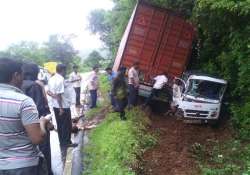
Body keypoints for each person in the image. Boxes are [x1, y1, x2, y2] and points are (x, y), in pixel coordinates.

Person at [0, 58, 49, 175]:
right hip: (24, 165)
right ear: (16, 75)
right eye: (22, 74)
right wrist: (43, 122)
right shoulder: (23, 101)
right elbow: (37, 138)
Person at [21, 63, 54, 175]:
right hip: (38, 126)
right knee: (44, 150)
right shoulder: (34, 86)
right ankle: (48, 171)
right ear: (35, 72)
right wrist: (48, 121)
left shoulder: (18, 85)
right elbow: (39, 109)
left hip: (23, 128)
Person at [47, 64, 77, 148]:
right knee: (66, 125)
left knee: (60, 125)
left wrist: (54, 96)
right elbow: (59, 94)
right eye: (65, 70)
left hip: (55, 106)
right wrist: (61, 108)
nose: (66, 72)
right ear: (63, 70)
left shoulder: (51, 79)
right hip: (63, 107)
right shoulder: (60, 79)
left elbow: (48, 92)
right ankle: (67, 142)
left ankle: (62, 142)